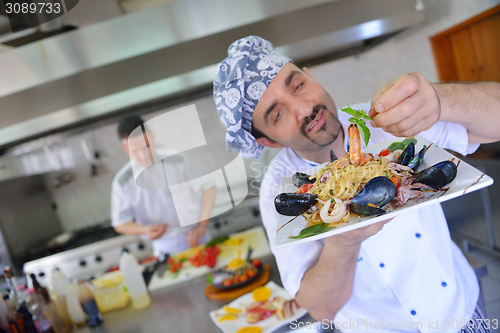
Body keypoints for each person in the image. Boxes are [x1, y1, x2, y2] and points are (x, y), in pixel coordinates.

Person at [214, 36, 500, 332]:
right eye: (277, 113)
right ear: (267, 141)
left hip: (459, 311)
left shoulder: (383, 120)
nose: (304, 108)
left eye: (297, 85)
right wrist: (344, 240)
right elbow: (321, 309)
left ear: (309, 75)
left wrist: (441, 100)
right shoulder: (277, 187)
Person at [111, 115, 217, 255]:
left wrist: (201, 227)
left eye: (146, 147)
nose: (143, 155)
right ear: (124, 148)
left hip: (199, 238)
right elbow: (120, 223)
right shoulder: (122, 181)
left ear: (152, 137)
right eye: (135, 151)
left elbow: (209, 188)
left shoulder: (178, 160)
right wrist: (145, 230)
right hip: (165, 248)